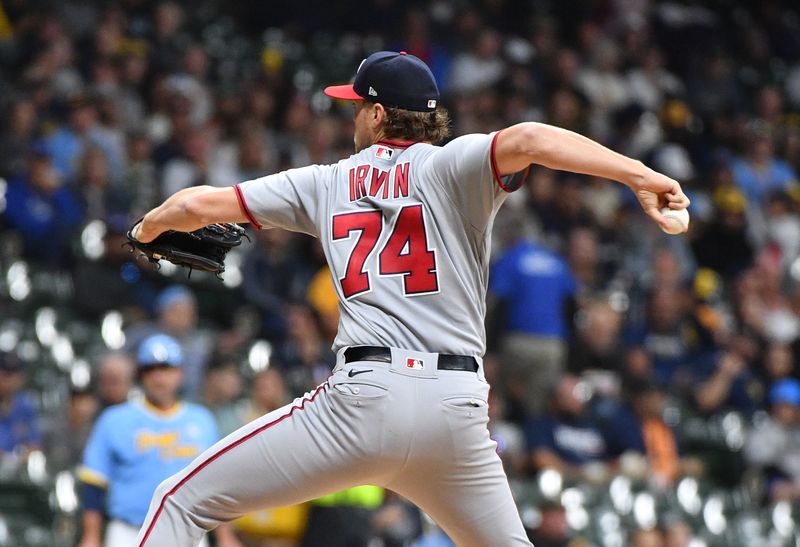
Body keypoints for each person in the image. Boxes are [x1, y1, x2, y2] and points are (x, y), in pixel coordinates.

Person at [131, 51, 689, 546]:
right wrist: (637, 174)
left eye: (356, 106)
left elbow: (197, 206)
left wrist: (145, 232)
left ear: (377, 114)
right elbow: (530, 140)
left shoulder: (326, 181)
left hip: (361, 402)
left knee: (178, 502)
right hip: (456, 408)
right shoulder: (452, 166)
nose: (351, 115)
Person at [77, 334, 241, 547]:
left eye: (165, 368)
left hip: (191, 530)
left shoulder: (202, 420)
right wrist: (91, 536)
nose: (158, 377)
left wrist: (225, 536)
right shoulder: (115, 419)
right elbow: (94, 483)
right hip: (129, 531)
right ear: (141, 375)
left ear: (179, 373)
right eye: (150, 369)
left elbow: (217, 483)